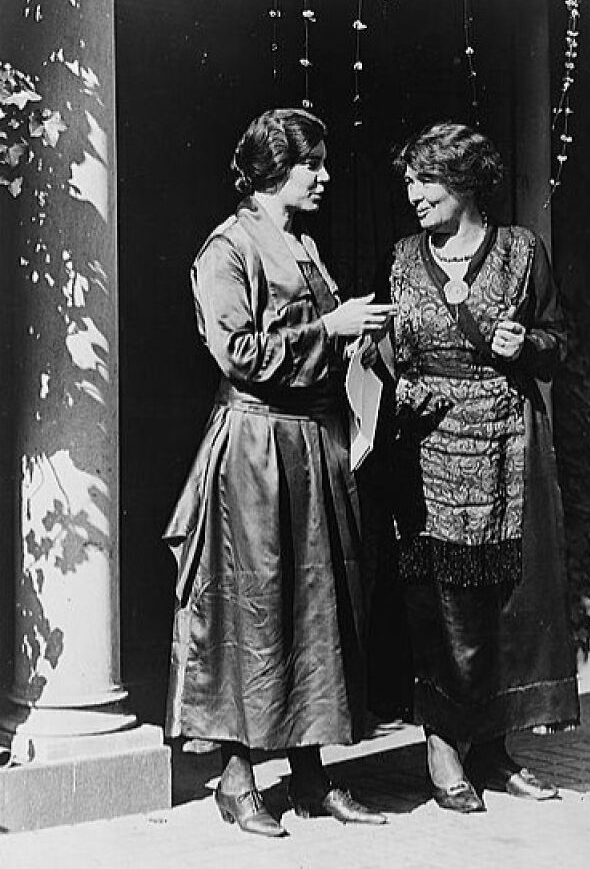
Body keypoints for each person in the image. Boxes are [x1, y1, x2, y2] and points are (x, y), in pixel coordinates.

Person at [163, 108, 395, 838]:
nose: (325, 176)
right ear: (272, 171)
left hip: (310, 446)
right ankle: (236, 778)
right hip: (257, 450)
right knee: (251, 607)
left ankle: (310, 773)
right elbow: (238, 353)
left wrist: (357, 342)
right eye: (312, 165)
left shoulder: (304, 245)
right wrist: (329, 329)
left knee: (315, 605)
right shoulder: (226, 250)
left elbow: (315, 346)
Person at [387, 121, 580, 814]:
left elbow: (561, 342)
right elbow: (393, 348)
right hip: (428, 448)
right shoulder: (406, 257)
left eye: (425, 179)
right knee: (439, 600)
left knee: (503, 597)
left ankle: (494, 750)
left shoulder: (523, 253)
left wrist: (527, 341)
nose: (413, 193)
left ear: (465, 181)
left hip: (507, 444)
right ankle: (442, 743)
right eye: (409, 180)